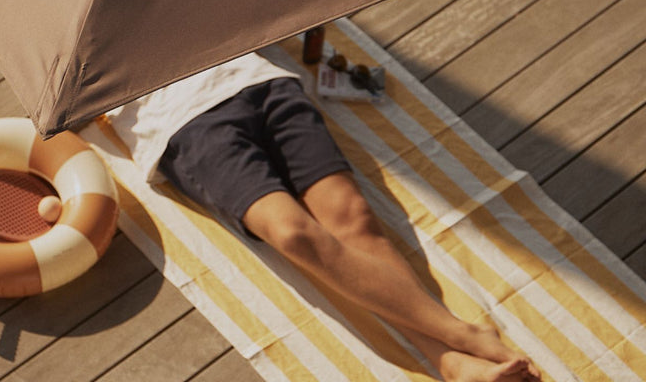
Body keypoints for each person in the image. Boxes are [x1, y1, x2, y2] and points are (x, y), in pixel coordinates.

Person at [105, 45, 540, 382]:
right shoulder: (63, 36)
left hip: (260, 82)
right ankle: (460, 334)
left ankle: (447, 361)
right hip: (182, 125)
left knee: (354, 219)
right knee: (292, 233)